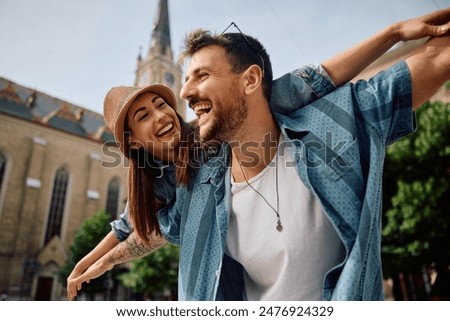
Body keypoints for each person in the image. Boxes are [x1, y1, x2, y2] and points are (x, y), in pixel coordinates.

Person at [67, 8, 450, 301]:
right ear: (133, 142)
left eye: (199, 76)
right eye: (144, 114)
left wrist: (396, 33)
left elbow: (315, 79)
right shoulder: (191, 187)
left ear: (251, 80)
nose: (180, 99)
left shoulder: (326, 128)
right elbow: (140, 227)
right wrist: (98, 260)